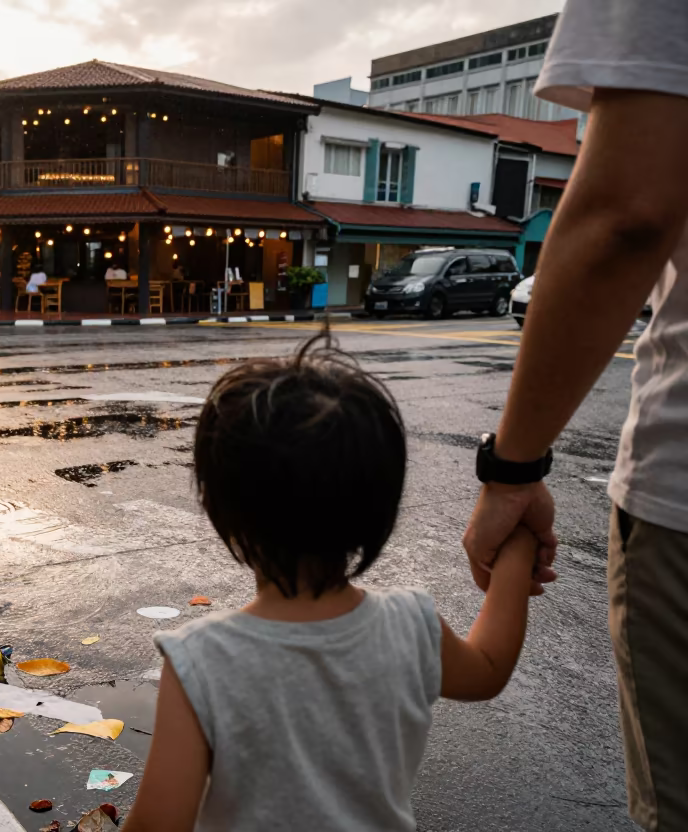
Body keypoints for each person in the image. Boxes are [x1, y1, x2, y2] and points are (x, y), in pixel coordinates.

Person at [123, 333, 538, 832]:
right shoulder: (411, 626)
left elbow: (158, 825)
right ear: (378, 510)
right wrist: (516, 548)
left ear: (221, 510)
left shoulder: (201, 660)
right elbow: (489, 668)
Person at [460, 3, 688, 828]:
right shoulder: (398, 629)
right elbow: (484, 664)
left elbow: (627, 212)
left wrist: (513, 475)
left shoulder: (197, 660)